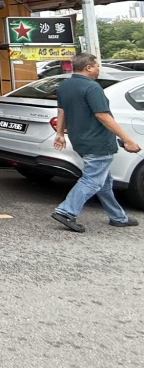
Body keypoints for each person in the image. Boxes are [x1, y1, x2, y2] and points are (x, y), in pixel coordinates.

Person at [50, 52, 141, 233]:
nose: (99, 68)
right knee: (93, 180)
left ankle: (118, 217)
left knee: (103, 181)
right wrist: (127, 139)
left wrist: (60, 133)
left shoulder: (65, 86)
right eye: (97, 65)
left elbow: (61, 110)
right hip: (97, 141)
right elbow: (102, 115)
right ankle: (66, 211)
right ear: (88, 67)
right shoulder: (92, 88)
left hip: (80, 140)